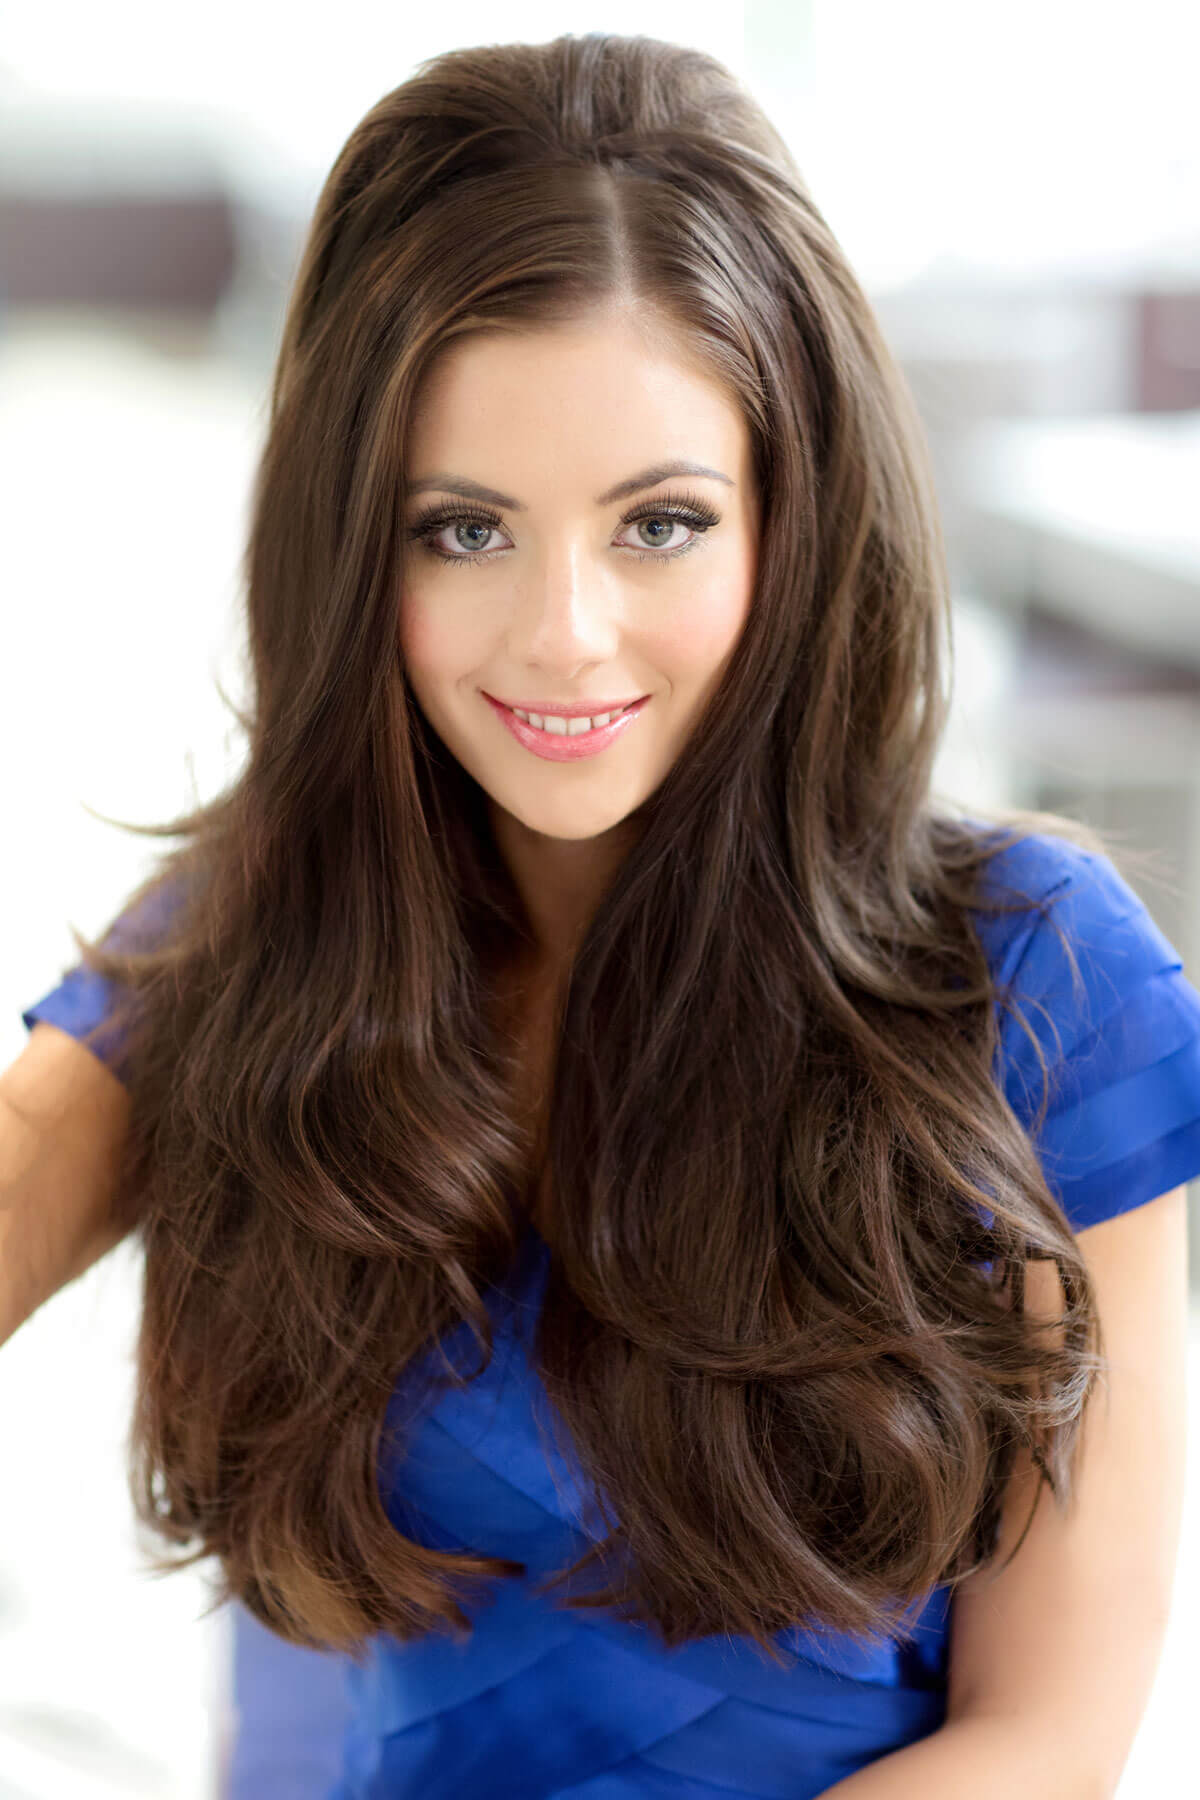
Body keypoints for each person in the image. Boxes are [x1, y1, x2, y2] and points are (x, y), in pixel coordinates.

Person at [3, 30, 1197, 1800]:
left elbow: (1047, 1738)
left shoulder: (1039, 977)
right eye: (463, 532)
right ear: (351, 552)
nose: (565, 633)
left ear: (793, 521)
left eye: (659, 522)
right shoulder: (246, 947)